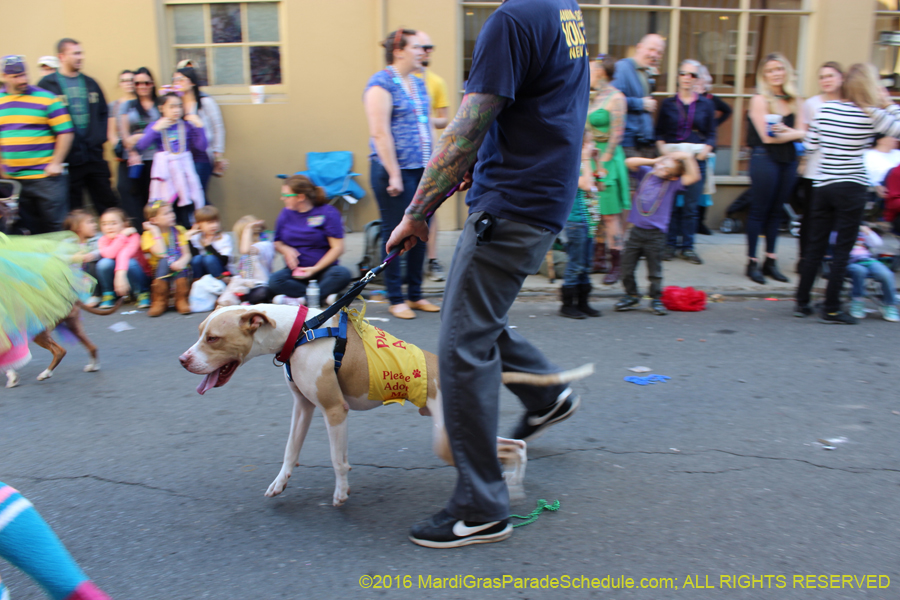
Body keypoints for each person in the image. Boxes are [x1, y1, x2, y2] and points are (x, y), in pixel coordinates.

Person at [385, 0, 590, 548]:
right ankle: (547, 394)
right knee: (474, 318)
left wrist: (417, 212)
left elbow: (465, 128)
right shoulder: (560, 8)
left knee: (461, 345)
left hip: (514, 203)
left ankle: (480, 506)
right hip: (542, 196)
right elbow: (532, 107)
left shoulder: (514, 18)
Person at [796, 63, 900, 323]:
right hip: (851, 186)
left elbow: (810, 145)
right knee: (843, 249)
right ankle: (831, 308)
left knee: (815, 247)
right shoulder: (871, 113)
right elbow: (897, 129)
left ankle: (802, 302)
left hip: (823, 185)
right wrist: (888, 103)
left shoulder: (825, 109)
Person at [363, 29, 440, 320]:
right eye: (420, 47)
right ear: (399, 50)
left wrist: (436, 168)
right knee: (395, 232)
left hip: (422, 170)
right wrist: (394, 174)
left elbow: (429, 126)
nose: (426, 52)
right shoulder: (380, 84)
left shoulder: (419, 84)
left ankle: (416, 294)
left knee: (423, 229)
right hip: (393, 171)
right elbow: (379, 132)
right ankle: (396, 297)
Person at [37, 38, 118, 216]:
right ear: (62, 56)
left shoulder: (91, 83)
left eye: (81, 53)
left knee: (108, 203)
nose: (81, 57)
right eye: (76, 53)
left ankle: (117, 241)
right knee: (74, 210)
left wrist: (98, 138)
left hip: (95, 157)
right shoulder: (46, 85)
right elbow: (41, 121)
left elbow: (104, 113)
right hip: (68, 160)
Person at [745, 53, 806, 284]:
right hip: (765, 158)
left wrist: (791, 133)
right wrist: (794, 134)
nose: (776, 74)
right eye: (770, 70)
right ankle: (752, 262)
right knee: (759, 210)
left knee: (777, 211)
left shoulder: (795, 100)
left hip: (788, 160)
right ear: (764, 75)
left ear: (786, 71)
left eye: (779, 68)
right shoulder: (760, 99)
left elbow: (803, 134)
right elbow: (768, 138)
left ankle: (770, 260)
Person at [615, 152, 699, 315]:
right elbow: (628, 161)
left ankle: (655, 298)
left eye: (666, 168)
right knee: (626, 267)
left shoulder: (672, 184)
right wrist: (655, 160)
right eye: (662, 163)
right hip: (636, 232)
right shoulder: (646, 173)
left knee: (654, 270)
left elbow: (694, 176)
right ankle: (631, 295)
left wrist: (687, 157)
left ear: (672, 176)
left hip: (656, 235)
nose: (660, 167)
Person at [0, 55, 73, 234]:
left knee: (57, 227)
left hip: (46, 179)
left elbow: (66, 132)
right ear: (4, 76)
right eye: (16, 76)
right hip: (15, 180)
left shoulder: (47, 99)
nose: (23, 80)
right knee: (25, 229)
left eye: (25, 74)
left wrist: (56, 162)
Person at [655, 59, 716, 265]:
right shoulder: (668, 104)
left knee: (691, 206)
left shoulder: (706, 104)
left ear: (697, 79)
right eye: (683, 74)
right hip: (672, 158)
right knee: (670, 203)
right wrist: (665, 153)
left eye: (692, 75)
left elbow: (711, 135)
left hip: (695, 158)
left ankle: (687, 247)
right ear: (678, 77)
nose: (687, 78)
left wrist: (701, 154)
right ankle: (669, 245)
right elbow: (660, 133)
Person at [268, 175, 352, 306]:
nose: (282, 198)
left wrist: (315, 269)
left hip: (324, 271)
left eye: (286, 195)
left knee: (342, 274)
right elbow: (277, 242)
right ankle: (322, 298)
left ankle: (301, 300)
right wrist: (286, 249)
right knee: (275, 281)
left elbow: (338, 248)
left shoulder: (328, 212)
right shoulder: (285, 213)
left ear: (300, 197)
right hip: (296, 274)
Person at [136, 91, 207, 229]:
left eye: (179, 106)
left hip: (184, 173)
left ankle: (188, 239)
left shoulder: (186, 126)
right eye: (172, 107)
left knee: (186, 207)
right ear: (161, 108)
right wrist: (155, 129)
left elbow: (201, 146)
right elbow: (141, 145)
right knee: (166, 207)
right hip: (165, 175)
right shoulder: (155, 125)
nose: (176, 110)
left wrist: (199, 126)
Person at [587, 53, 629, 285]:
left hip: (607, 161)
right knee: (596, 213)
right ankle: (598, 258)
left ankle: (617, 264)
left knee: (611, 216)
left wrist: (602, 166)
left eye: (591, 70)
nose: (589, 74)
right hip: (592, 158)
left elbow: (616, 135)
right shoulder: (596, 98)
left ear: (601, 72)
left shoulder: (616, 98)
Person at [796, 62, 844, 266]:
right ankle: (805, 258)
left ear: (841, 78)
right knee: (811, 216)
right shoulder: (812, 104)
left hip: (840, 170)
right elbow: (805, 136)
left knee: (833, 218)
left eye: (830, 76)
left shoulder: (849, 103)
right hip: (815, 170)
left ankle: (824, 256)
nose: (826, 80)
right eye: (822, 77)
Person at [414, 31, 450, 283]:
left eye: (430, 47)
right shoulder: (398, 80)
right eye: (422, 47)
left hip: (429, 156)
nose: (427, 51)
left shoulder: (436, 82)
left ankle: (432, 259)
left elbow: (444, 120)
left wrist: (424, 115)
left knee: (430, 209)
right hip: (404, 157)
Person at [560, 131, 602, 319]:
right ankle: (567, 305)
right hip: (575, 222)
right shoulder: (572, 165)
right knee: (575, 264)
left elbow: (599, 184)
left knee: (585, 265)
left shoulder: (586, 165)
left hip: (589, 223)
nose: (594, 145)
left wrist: (597, 161)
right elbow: (586, 185)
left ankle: (583, 303)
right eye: (590, 143)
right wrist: (585, 157)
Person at [172, 66, 226, 195]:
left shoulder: (204, 102)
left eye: (181, 79)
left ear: (193, 82)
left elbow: (218, 127)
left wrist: (217, 155)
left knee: (197, 194)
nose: (177, 82)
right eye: (174, 80)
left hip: (201, 156)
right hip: (181, 157)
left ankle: (208, 215)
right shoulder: (175, 104)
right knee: (184, 195)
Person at [611, 34, 666, 159]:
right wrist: (640, 104)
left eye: (659, 53)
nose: (654, 55)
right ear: (639, 47)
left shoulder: (647, 72)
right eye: (651, 49)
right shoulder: (622, 68)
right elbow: (611, 101)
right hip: (629, 143)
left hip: (645, 143)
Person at [118, 67, 159, 230]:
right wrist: (133, 147)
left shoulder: (160, 103)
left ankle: (155, 234)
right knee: (130, 194)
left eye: (146, 82)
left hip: (155, 158)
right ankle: (139, 232)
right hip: (134, 159)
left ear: (152, 84)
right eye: (138, 83)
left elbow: (165, 130)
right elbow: (125, 136)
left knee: (153, 199)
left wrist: (139, 136)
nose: (142, 86)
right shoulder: (127, 106)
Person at [695, 64, 732, 235]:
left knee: (705, 188)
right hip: (690, 147)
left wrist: (715, 124)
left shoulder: (710, 99)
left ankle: (700, 222)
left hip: (708, 148)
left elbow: (727, 110)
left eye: (699, 77)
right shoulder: (688, 99)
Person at [141, 200, 191, 316]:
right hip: (159, 271)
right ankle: (160, 301)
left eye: (171, 212)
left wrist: (181, 262)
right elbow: (162, 253)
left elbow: (187, 254)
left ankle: (181, 299)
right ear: (154, 220)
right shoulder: (148, 235)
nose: (172, 215)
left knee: (177, 256)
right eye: (166, 214)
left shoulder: (179, 230)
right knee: (164, 260)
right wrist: (155, 231)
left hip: (179, 268)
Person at [96, 207, 150, 309]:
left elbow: (124, 254)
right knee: (104, 263)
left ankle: (143, 293)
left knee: (130, 262)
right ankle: (109, 294)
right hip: (119, 284)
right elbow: (109, 254)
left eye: (113, 223)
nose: (109, 227)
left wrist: (120, 274)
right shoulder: (103, 240)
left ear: (124, 224)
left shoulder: (134, 236)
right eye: (104, 224)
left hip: (139, 277)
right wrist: (121, 236)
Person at [844, 226, 899, 322]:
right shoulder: (838, 230)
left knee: (885, 274)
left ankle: (889, 304)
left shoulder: (860, 232)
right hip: (849, 261)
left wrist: (868, 232)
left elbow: (877, 243)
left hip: (867, 259)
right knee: (859, 271)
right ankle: (857, 300)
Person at [227, 215, 275, 305]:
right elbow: (242, 274)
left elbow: (245, 249)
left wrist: (248, 228)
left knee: (262, 293)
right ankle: (247, 302)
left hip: (261, 286)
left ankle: (249, 303)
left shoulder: (264, 245)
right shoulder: (247, 254)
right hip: (247, 286)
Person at [63, 209, 100, 303]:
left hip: (91, 277)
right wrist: (73, 258)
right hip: (75, 278)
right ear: (79, 227)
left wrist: (93, 254)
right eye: (90, 222)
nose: (95, 225)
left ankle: (95, 295)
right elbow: (59, 257)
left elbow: (103, 250)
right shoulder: (68, 243)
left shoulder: (96, 240)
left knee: (93, 264)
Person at [188, 205, 232, 279]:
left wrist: (209, 247)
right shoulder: (196, 237)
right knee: (197, 258)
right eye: (209, 223)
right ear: (199, 224)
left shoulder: (224, 238)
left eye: (216, 222)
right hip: (203, 275)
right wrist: (188, 239)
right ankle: (197, 282)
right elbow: (194, 260)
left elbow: (224, 261)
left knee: (209, 258)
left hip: (222, 273)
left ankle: (219, 283)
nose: (214, 225)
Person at [864, 134, 900, 199]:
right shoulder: (869, 155)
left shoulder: (897, 153)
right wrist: (876, 184)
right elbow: (867, 173)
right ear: (880, 140)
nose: (896, 140)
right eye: (892, 137)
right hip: (883, 185)